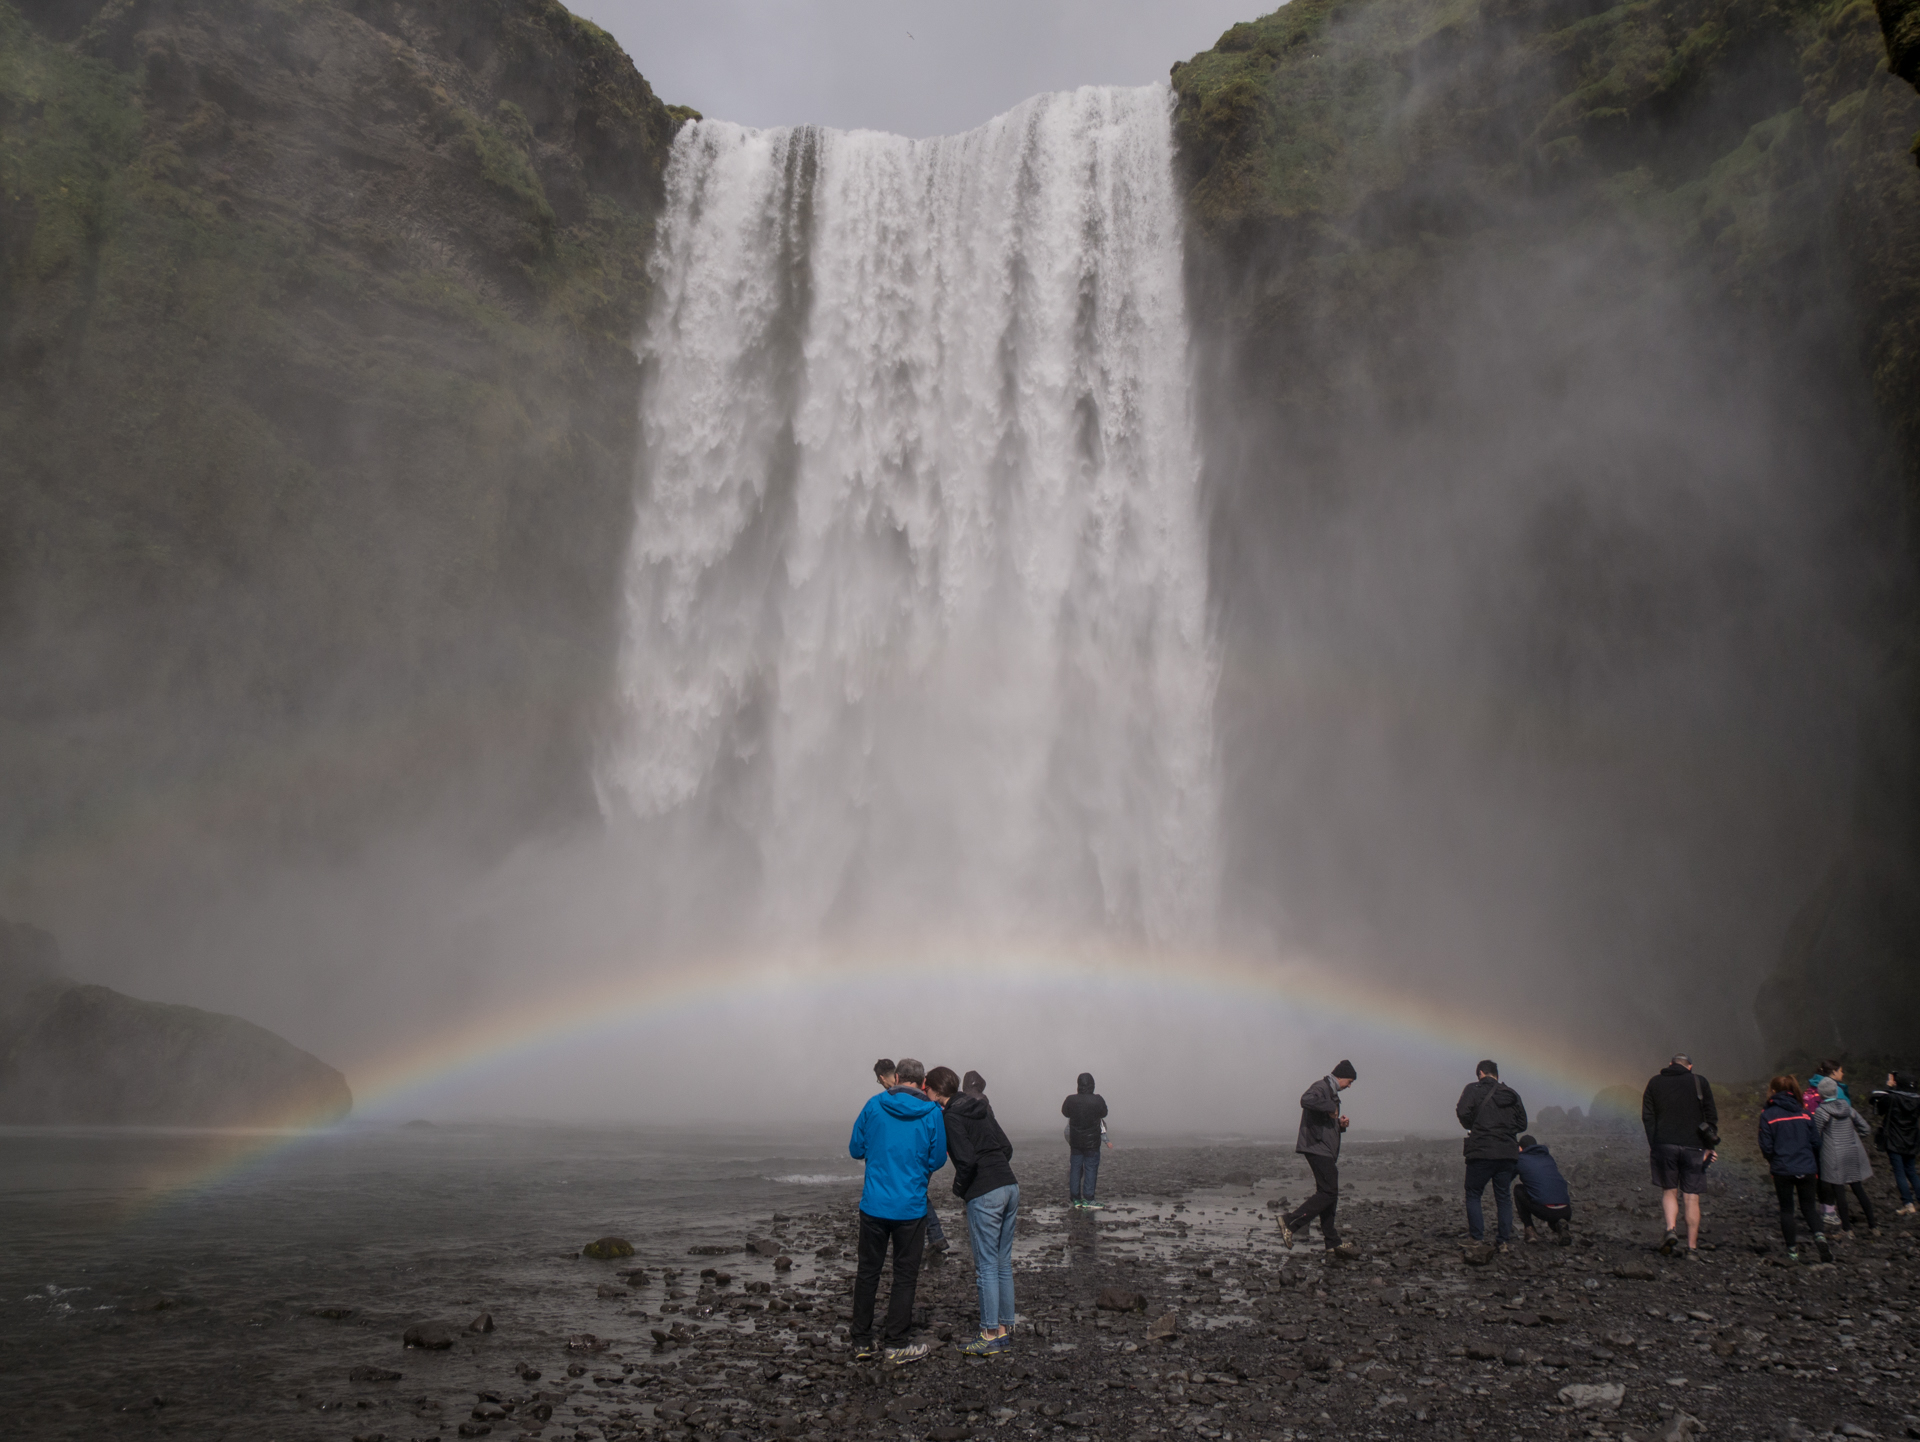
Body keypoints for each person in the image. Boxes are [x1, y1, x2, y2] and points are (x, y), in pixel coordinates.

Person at [848, 1057, 947, 1364]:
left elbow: (856, 1149)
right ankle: (895, 1343)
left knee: (868, 1272)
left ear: (898, 1077)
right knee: (905, 1276)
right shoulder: (931, 1112)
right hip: (910, 1206)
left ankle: (862, 1341)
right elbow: (938, 1159)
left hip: (875, 1204)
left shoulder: (874, 1105)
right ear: (922, 1083)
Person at [928, 1066, 1018, 1356]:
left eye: (927, 1087)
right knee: (1002, 1263)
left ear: (937, 1091)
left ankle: (989, 1334)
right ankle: (1004, 1330)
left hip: (986, 1191)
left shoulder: (950, 1115)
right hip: (1009, 1185)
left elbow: (965, 1160)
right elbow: (1005, 1146)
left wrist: (959, 1189)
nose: (925, 1091)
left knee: (987, 1267)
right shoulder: (981, 1107)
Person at [1641, 1053, 1719, 1259]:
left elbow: (1648, 1116)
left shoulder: (1655, 1083)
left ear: (1670, 1064)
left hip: (1664, 1145)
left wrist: (1654, 1143)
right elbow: (1711, 1117)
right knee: (1692, 1198)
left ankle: (1671, 1229)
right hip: (1694, 1146)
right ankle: (1692, 1248)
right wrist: (1709, 1147)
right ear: (1690, 1066)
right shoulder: (1699, 1082)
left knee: (1669, 1191)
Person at [1277, 1060, 1358, 1257]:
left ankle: (1332, 1242)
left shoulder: (1330, 1091)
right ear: (1341, 1076)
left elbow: (1323, 1120)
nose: (1350, 1085)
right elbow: (1305, 1100)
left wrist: (1340, 1125)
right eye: (1350, 1081)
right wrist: (1330, 1107)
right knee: (1329, 1192)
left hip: (1323, 1148)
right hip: (1316, 1147)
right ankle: (1289, 1222)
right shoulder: (1321, 1087)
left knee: (1329, 1193)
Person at [874, 1057, 951, 1254]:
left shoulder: (899, 1094)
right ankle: (934, 1237)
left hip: (921, 1149)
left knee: (917, 1191)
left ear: (883, 1077)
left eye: (878, 1080)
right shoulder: (907, 1090)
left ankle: (933, 1237)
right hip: (918, 1150)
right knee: (917, 1190)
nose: (880, 1084)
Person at [1457, 1060, 1529, 1252]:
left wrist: (1475, 1125)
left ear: (1480, 1073)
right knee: (1503, 1196)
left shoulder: (1473, 1089)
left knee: (1473, 1193)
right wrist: (1504, 1130)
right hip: (1507, 1153)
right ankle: (1503, 1241)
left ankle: (1476, 1238)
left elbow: (1462, 1112)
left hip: (1481, 1151)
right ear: (1496, 1074)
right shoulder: (1512, 1093)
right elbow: (1522, 1124)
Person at [1758, 1073, 1830, 1262]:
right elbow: (1816, 1142)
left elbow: (1765, 1146)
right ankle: (1820, 1237)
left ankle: (1792, 1252)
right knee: (1809, 1208)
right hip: (1807, 1167)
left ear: (1773, 1091)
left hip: (1782, 1168)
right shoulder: (1804, 1113)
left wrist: (1773, 1161)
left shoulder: (1768, 1115)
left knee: (1786, 1210)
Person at [1813, 1076, 1878, 1238]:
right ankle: (1873, 1226)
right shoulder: (1848, 1108)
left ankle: (1847, 1230)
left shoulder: (1821, 1112)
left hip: (1832, 1156)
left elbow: (1814, 1136)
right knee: (1858, 1189)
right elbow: (1866, 1128)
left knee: (1839, 1193)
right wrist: (1854, 1138)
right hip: (1851, 1152)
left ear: (1821, 1094)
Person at [1869, 1072, 1920, 1216]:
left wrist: (1889, 1086)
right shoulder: (1917, 1100)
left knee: (1899, 1172)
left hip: (1894, 1140)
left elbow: (1876, 1103)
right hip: (1912, 1139)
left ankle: (1908, 1203)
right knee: (1911, 1170)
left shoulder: (1891, 1098)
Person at [1512, 1133, 1572, 1245]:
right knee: (1547, 1193)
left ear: (1520, 1147)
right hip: (1566, 1209)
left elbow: (1507, 1178)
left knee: (1518, 1190)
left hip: (1546, 1210)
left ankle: (1530, 1231)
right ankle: (1559, 1225)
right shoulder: (1548, 1157)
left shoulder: (1520, 1159)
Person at [1062, 1073, 1109, 1210]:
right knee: (1091, 1169)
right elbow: (1104, 1113)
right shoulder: (1098, 1100)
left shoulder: (1071, 1100)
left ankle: (1076, 1198)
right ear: (1092, 1085)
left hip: (1075, 1141)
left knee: (1075, 1169)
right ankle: (1089, 1198)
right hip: (1092, 1142)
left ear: (1078, 1085)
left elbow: (1065, 1112)